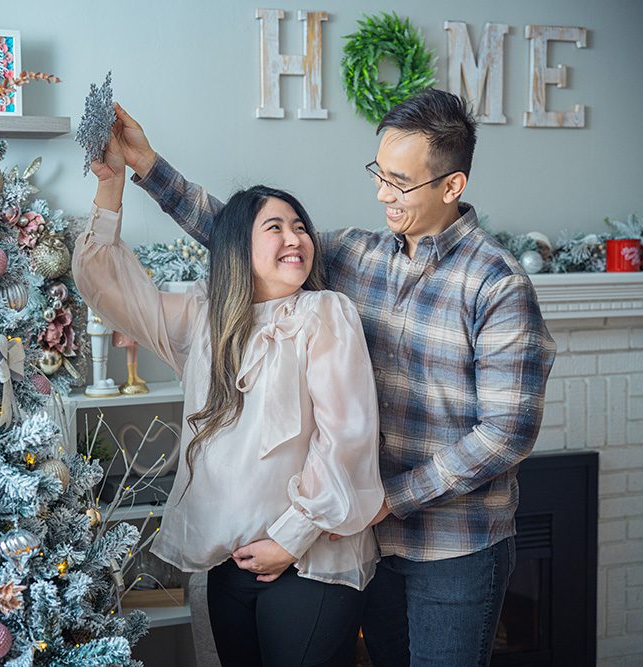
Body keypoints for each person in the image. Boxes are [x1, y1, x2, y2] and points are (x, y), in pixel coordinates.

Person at [112, 89, 556, 667]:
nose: (381, 193)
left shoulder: (496, 284)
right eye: (379, 172)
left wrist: (390, 499)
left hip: (452, 547)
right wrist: (148, 168)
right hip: (360, 541)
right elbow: (243, 235)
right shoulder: (355, 255)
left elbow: (506, 433)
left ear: (452, 186)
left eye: (400, 182)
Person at [73, 126, 385, 667]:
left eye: (300, 227)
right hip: (229, 565)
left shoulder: (325, 313)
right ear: (238, 244)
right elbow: (109, 289)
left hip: (310, 562)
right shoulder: (205, 316)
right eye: (275, 227)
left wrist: (290, 539)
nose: (296, 238)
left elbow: (347, 441)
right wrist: (110, 187)